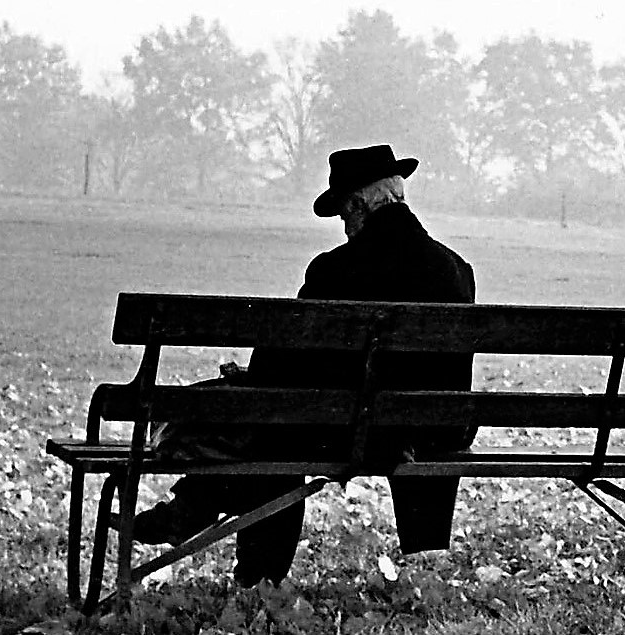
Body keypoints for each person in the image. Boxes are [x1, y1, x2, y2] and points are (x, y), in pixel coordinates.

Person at [132, 144, 477, 587]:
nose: (345, 228)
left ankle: (239, 555)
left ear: (358, 205)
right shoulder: (455, 269)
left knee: (271, 425)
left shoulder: (336, 269)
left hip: (347, 431)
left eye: (344, 216)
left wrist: (251, 379)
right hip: (429, 433)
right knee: (280, 421)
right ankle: (198, 514)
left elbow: (283, 360)